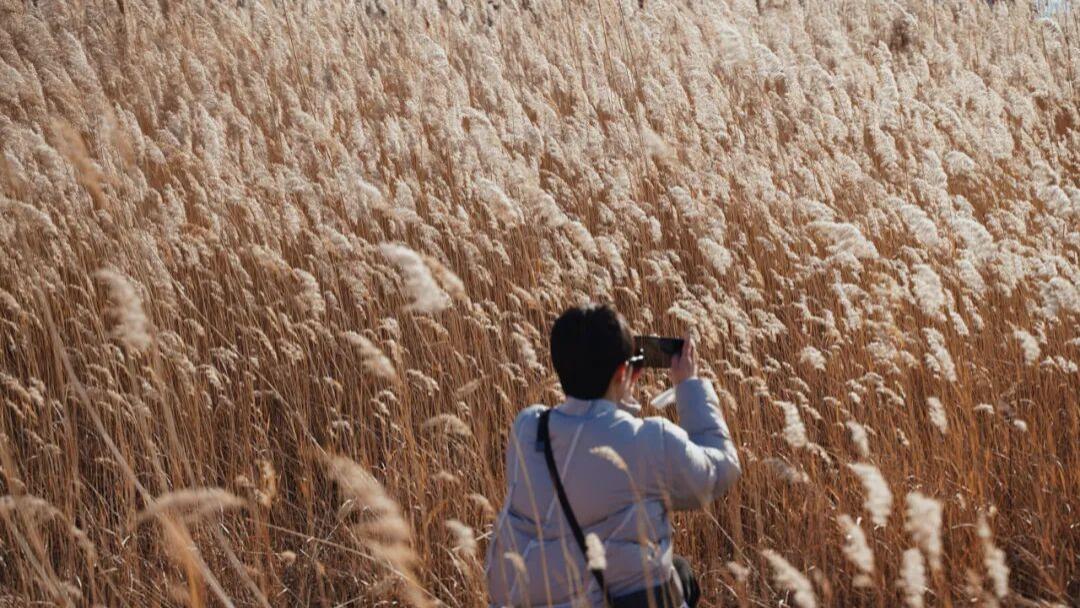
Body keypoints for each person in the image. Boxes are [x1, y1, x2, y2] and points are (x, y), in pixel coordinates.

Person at [484, 302, 741, 607]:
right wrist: (689, 386)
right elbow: (721, 468)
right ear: (623, 371)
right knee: (680, 576)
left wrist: (616, 399)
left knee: (680, 571)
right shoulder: (649, 442)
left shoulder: (529, 430)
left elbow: (587, 446)